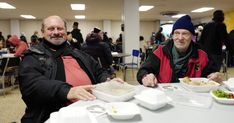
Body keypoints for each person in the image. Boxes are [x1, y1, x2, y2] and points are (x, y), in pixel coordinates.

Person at [18, 15, 123, 123]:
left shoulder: (78, 53)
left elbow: (98, 71)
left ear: (66, 31)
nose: (56, 32)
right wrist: (67, 91)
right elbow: (31, 84)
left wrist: (107, 81)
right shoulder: (33, 56)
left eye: (60, 28)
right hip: (55, 116)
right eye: (51, 29)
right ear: (42, 32)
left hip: (91, 110)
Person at [137, 15, 222, 87]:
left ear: (192, 36)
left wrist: (215, 76)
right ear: (172, 35)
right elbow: (143, 70)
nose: (180, 38)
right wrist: (146, 76)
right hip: (164, 96)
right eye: (177, 33)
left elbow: (210, 74)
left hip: (193, 98)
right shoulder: (160, 52)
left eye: (185, 34)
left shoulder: (202, 54)